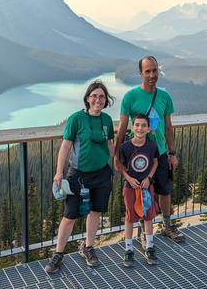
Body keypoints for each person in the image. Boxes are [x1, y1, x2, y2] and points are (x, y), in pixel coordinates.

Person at [45, 80, 115, 273]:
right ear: (87, 98)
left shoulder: (107, 120)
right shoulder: (76, 119)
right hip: (78, 176)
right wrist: (59, 172)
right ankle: (58, 254)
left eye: (102, 96)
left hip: (101, 174)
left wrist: (120, 161)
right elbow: (66, 146)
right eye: (94, 96)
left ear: (105, 100)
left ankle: (88, 248)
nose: (98, 100)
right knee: (70, 215)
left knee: (95, 212)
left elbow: (110, 145)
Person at [114, 55, 185, 243]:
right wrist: (117, 155)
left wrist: (171, 153)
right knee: (139, 192)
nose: (152, 75)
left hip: (159, 153)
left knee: (164, 190)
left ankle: (167, 226)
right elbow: (122, 128)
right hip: (137, 154)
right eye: (148, 71)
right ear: (140, 73)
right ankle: (144, 233)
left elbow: (168, 127)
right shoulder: (130, 97)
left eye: (154, 70)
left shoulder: (164, 97)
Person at [120, 114, 159, 267]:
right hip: (130, 187)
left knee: (148, 216)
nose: (140, 128)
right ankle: (128, 249)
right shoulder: (125, 147)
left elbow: (155, 162)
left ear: (148, 128)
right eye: (137, 125)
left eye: (143, 125)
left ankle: (150, 246)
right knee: (130, 216)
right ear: (132, 127)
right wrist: (129, 179)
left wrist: (149, 177)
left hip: (146, 187)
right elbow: (121, 167)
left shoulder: (151, 146)